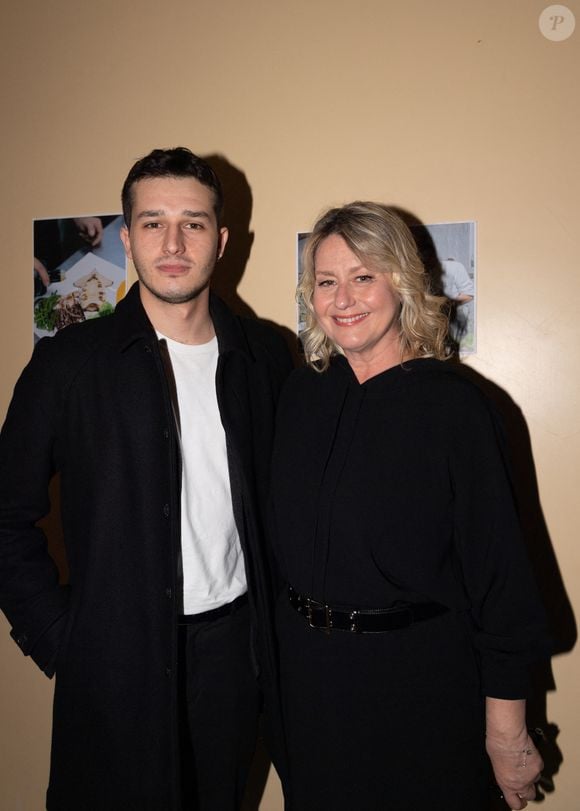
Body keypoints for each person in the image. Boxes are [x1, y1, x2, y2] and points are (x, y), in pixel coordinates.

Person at [0, 147, 292, 810]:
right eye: (153, 222)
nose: (173, 241)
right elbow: (5, 516)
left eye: (193, 222)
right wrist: (60, 639)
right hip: (115, 656)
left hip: (231, 656)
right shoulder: (69, 365)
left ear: (220, 240)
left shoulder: (267, 355)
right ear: (127, 236)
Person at [269, 202, 549, 811]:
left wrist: (507, 734)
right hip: (309, 690)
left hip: (419, 689)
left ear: (401, 281)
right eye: (326, 281)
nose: (343, 297)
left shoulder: (458, 411)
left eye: (363, 276)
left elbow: (501, 585)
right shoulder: (300, 395)